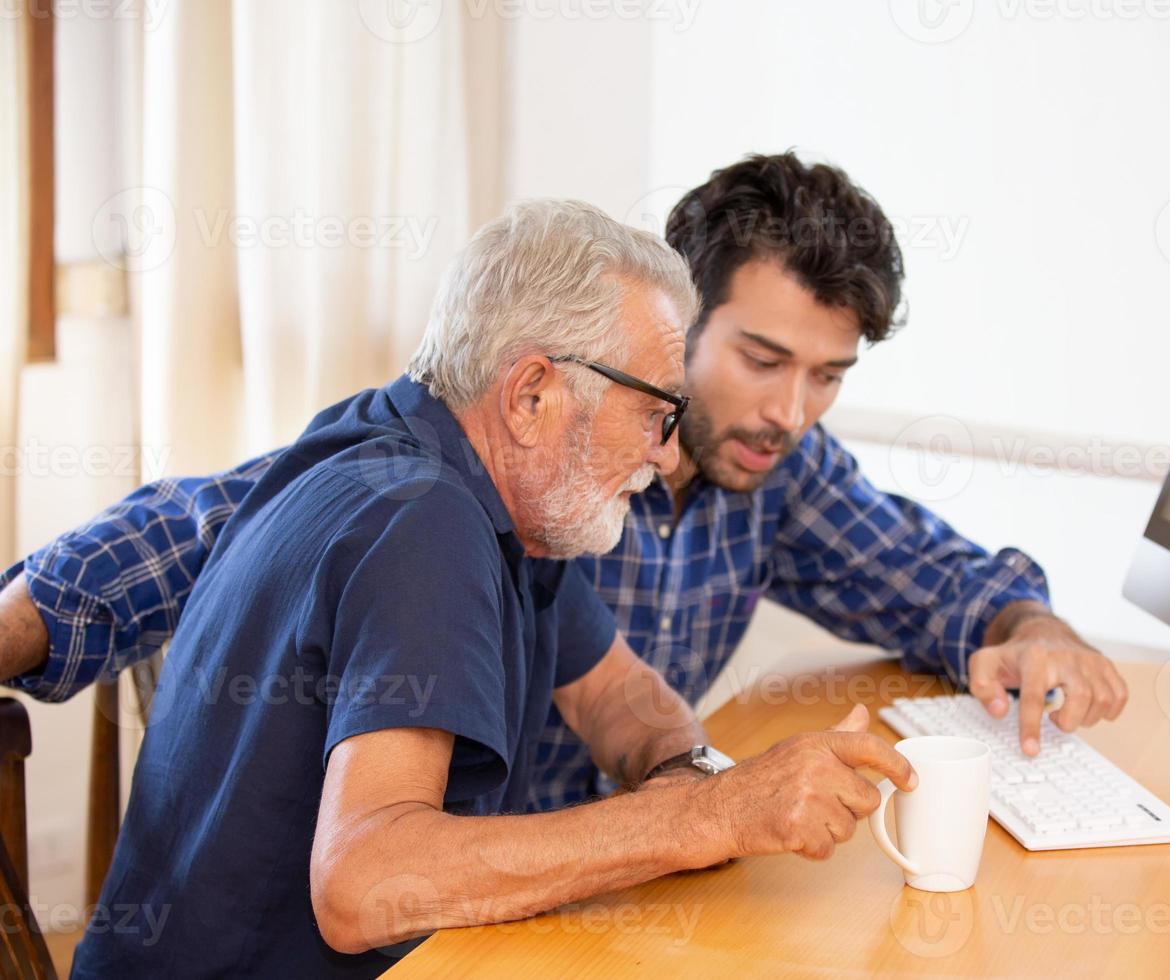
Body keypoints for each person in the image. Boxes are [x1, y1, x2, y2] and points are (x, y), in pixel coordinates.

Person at [0, 154, 1126, 814]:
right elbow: (206, 522)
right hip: (424, 906)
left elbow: (930, 576)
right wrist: (15, 623)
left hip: (596, 885)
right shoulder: (513, 453)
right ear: (676, 319)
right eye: (765, 360)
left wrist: (1026, 624)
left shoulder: (776, 469)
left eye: (830, 376)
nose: (793, 411)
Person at [69, 200, 917, 977]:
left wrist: (693, 774)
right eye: (657, 413)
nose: (666, 455)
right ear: (532, 394)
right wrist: (714, 815)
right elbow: (364, 885)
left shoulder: (459, 477)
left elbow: (619, 694)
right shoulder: (421, 524)